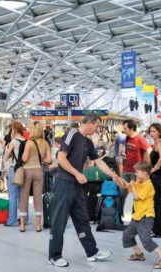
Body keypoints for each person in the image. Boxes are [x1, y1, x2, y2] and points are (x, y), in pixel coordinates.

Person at [48, 113, 126, 267]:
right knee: (59, 220)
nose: (97, 130)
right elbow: (61, 159)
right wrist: (77, 173)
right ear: (89, 122)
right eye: (97, 126)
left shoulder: (88, 142)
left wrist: (113, 175)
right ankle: (54, 256)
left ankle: (92, 251)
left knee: (82, 219)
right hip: (64, 183)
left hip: (77, 185)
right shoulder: (72, 134)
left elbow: (98, 162)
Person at [122, 161, 161, 269]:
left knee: (146, 239)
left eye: (137, 172)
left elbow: (137, 197)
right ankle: (139, 254)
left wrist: (133, 186)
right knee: (127, 235)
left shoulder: (148, 185)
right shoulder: (139, 182)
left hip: (146, 217)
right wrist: (117, 179)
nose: (136, 174)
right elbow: (126, 186)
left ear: (145, 173)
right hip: (137, 216)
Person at [19, 123, 51, 232]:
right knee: (37, 197)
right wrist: (41, 159)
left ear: (33, 131)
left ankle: (22, 225)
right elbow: (49, 160)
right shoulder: (45, 143)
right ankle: (38, 225)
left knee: (24, 196)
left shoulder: (29, 142)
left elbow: (24, 158)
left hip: (27, 171)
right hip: (38, 171)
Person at [3, 122, 26, 227]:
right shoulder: (26, 141)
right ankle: (23, 219)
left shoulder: (13, 142)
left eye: (11, 130)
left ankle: (12, 220)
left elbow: (6, 157)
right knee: (22, 195)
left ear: (14, 130)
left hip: (14, 169)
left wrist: (6, 169)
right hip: (24, 169)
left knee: (13, 195)